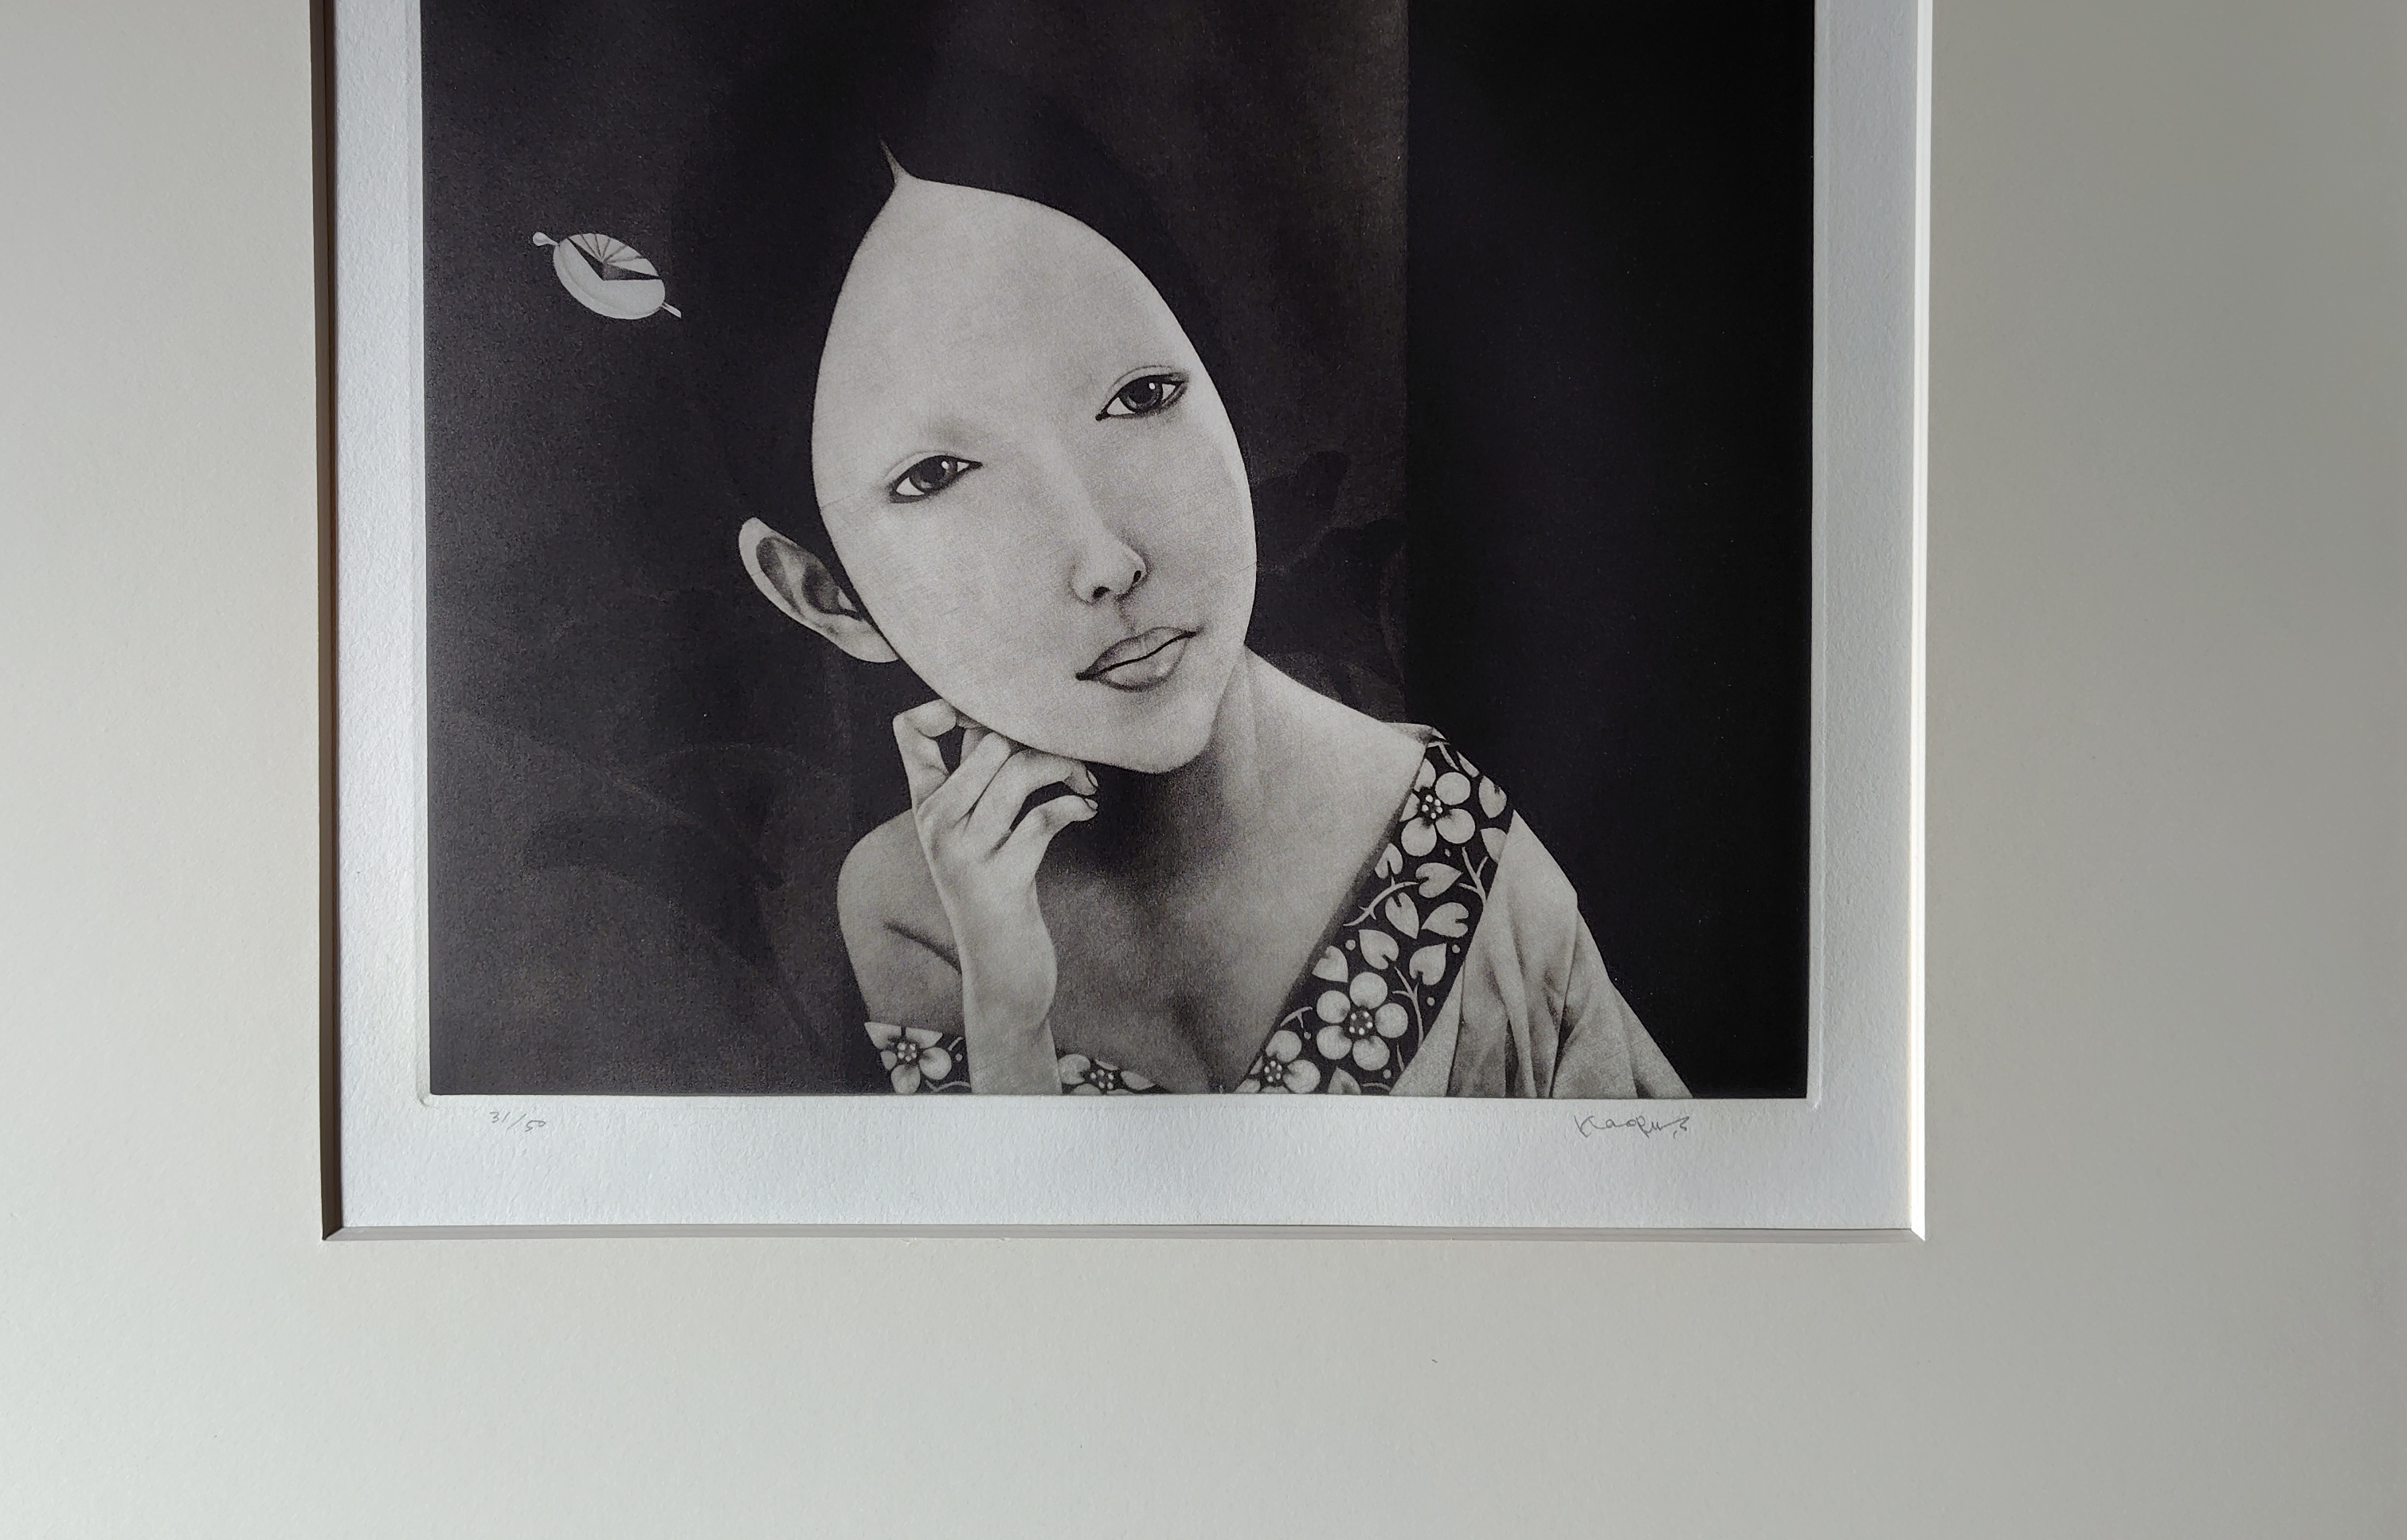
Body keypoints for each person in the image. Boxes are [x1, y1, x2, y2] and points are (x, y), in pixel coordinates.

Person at [668, 56, 1687, 1100]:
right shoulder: (910, 905)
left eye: (1143, 396)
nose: (1107, 561)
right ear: (823, 593)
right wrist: (1008, 1012)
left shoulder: (1464, 861)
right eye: (938, 474)